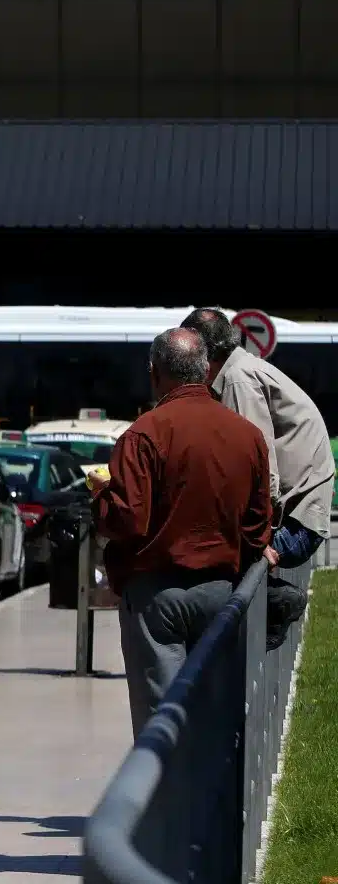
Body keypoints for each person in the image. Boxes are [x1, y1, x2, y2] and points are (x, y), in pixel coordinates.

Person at [93, 328, 272, 734]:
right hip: (224, 592)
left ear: (155, 373)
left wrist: (102, 498)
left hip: (156, 597)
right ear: (207, 370)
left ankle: (170, 796)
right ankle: (214, 795)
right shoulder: (249, 436)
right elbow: (258, 523)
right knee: (216, 718)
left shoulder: (143, 434)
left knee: (162, 724)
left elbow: (128, 519)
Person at [179, 308, 334, 570]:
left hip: (293, 527)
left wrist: (257, 534)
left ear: (202, 352)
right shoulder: (243, 368)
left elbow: (259, 465)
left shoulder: (237, 379)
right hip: (299, 519)